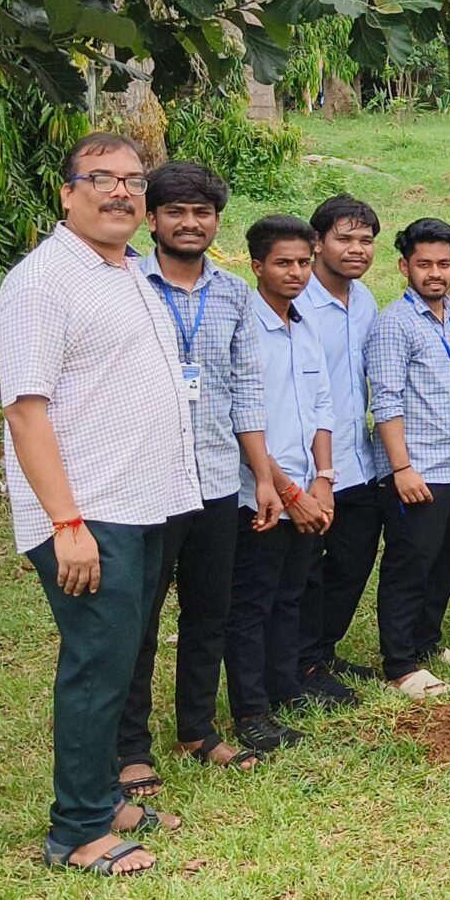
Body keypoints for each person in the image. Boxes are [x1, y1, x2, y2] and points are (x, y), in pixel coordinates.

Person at [0, 133, 192, 876]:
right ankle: (76, 830)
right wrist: (66, 523)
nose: (120, 192)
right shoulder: (43, 282)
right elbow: (24, 411)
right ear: (66, 192)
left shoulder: (129, 271)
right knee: (97, 664)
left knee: (123, 656)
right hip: (88, 511)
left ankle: (105, 795)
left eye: (132, 180)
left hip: (142, 503)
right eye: (100, 178)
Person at [119, 161, 270, 794]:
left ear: (216, 222)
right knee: (140, 618)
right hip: (145, 482)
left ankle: (197, 728)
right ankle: (129, 748)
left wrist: (261, 477)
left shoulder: (235, 293)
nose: (189, 223)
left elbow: (247, 392)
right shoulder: (124, 285)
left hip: (215, 479)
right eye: (176, 212)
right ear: (151, 219)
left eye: (201, 213)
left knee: (210, 610)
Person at [224, 215, 335, 755]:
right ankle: (251, 710)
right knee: (254, 605)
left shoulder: (305, 326)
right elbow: (240, 418)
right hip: (261, 495)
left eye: (303, 262)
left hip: (308, 491)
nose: (296, 273)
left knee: (292, 595)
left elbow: (321, 409)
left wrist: (323, 481)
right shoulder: (245, 329)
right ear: (257, 266)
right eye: (283, 263)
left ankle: (284, 689)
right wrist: (289, 490)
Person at [364, 218, 450, 699]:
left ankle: (427, 642)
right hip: (419, 469)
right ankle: (400, 663)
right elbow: (385, 401)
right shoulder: (394, 323)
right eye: (424, 264)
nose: (436, 273)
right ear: (403, 266)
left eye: (444, 263)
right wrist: (401, 468)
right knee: (410, 565)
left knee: (446, 561)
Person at [296, 195, 382, 706]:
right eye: (344, 239)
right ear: (317, 243)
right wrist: (314, 474)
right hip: (309, 469)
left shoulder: (365, 299)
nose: (355, 249)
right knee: (305, 572)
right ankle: (300, 666)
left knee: (351, 563)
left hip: (359, 461)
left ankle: (322, 650)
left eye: (365, 241)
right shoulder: (297, 302)